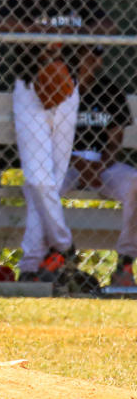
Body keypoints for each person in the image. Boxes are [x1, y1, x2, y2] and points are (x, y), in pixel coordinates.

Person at [0, 0, 116, 282]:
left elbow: (108, 27)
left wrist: (73, 35)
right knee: (37, 178)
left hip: (67, 92)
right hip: (31, 89)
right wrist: (36, 29)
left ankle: (31, 263)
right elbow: (2, 24)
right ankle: (64, 245)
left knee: (52, 180)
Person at [60, 45, 136, 287]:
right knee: (42, 185)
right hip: (65, 162)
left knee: (135, 183)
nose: (93, 60)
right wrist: (80, 165)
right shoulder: (58, 88)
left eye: (97, 54)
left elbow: (114, 142)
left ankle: (125, 264)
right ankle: (56, 254)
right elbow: (52, 141)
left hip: (104, 164)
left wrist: (98, 166)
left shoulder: (110, 90)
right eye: (87, 54)